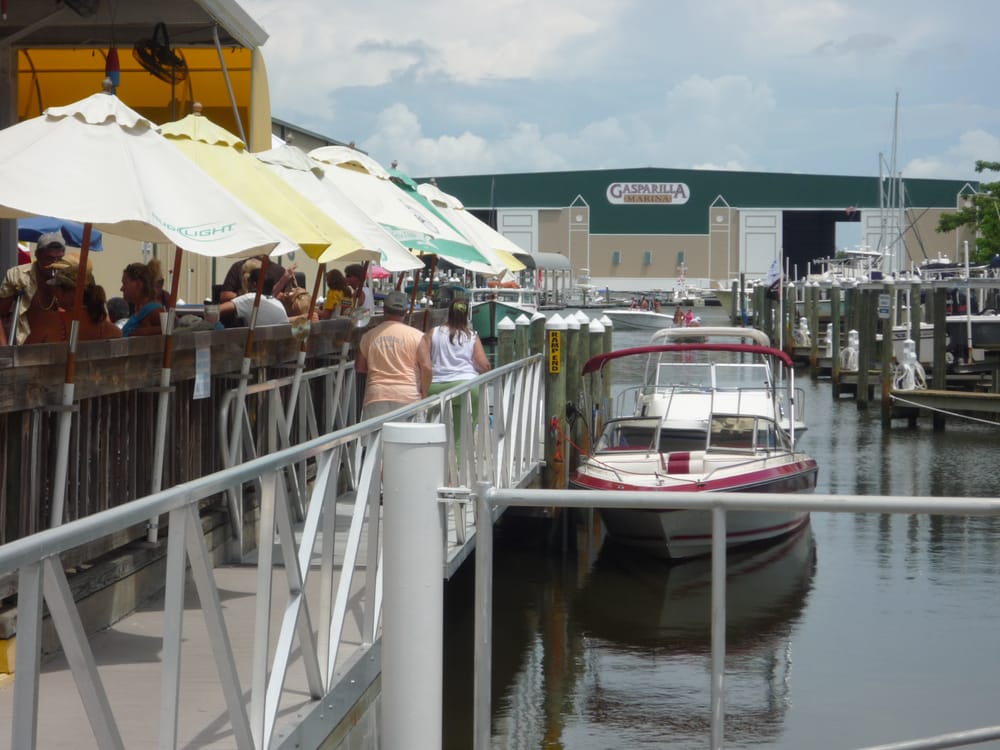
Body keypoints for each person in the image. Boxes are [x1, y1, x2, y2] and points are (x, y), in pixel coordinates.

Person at [355, 290, 431, 420]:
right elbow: (427, 367)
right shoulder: (417, 336)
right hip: (408, 396)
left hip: (377, 395)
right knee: (409, 440)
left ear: (384, 310)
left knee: (376, 439)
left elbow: (360, 367)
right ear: (405, 312)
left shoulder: (369, 336)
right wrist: (424, 392)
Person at [425, 299, 490, 445]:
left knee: (431, 429)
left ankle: (431, 458)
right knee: (462, 434)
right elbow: (483, 365)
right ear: (466, 315)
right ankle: (457, 464)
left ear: (449, 313)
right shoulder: (471, 335)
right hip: (465, 386)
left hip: (436, 386)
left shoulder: (433, 332)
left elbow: (424, 360)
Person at [0, 231, 67, 345]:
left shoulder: (67, 278)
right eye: (49, 259)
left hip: (56, 349)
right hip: (24, 346)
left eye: (59, 259)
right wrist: (4, 347)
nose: (54, 264)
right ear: (37, 255)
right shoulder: (18, 276)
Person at [47, 253, 121, 340]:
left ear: (73, 292)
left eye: (57, 288)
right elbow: (117, 333)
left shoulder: (55, 323)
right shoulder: (105, 326)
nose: (55, 293)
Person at [219, 266, 290, 326]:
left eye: (248, 280)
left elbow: (218, 310)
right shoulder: (276, 302)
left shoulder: (250, 298)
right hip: (282, 341)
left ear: (254, 284)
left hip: (258, 341)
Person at [120, 261, 166, 336]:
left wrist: (143, 332)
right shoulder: (140, 309)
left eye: (124, 283)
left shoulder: (154, 310)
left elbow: (169, 328)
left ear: (138, 284)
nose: (121, 288)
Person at [219, 255, 286, 303]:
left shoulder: (280, 271)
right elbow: (224, 295)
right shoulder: (238, 267)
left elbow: (286, 297)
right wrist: (246, 296)